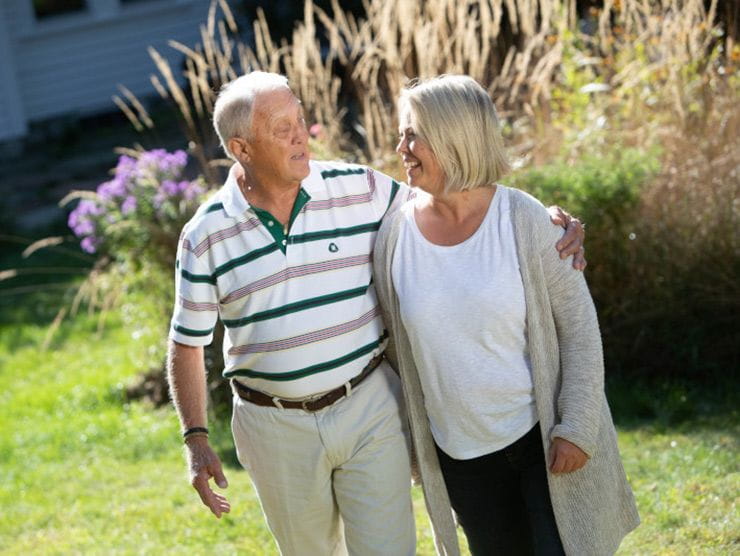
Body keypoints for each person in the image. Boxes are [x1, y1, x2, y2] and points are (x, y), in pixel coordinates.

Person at [166, 71, 586, 556]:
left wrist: (549, 220)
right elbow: (187, 342)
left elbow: (456, 203)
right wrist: (196, 439)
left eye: (300, 119)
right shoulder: (205, 235)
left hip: (368, 406)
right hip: (274, 425)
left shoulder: (361, 190)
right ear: (241, 148)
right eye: (282, 128)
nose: (302, 134)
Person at [372, 75, 639, 556]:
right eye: (402, 133)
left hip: (541, 440)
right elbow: (393, 346)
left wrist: (576, 427)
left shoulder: (527, 220)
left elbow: (578, 330)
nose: (401, 147)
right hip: (459, 453)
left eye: (414, 134)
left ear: (456, 138)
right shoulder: (393, 233)